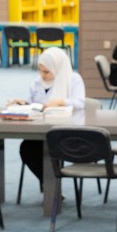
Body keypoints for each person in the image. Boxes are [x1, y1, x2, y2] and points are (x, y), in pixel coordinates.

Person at [13, 48, 87, 182]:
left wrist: (62, 102)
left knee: (50, 149)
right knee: (26, 149)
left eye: (46, 71)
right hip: (40, 130)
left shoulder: (73, 79)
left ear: (57, 68)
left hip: (66, 131)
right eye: (40, 70)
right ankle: (47, 183)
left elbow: (81, 103)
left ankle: (51, 187)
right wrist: (23, 103)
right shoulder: (37, 82)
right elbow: (33, 103)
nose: (42, 75)